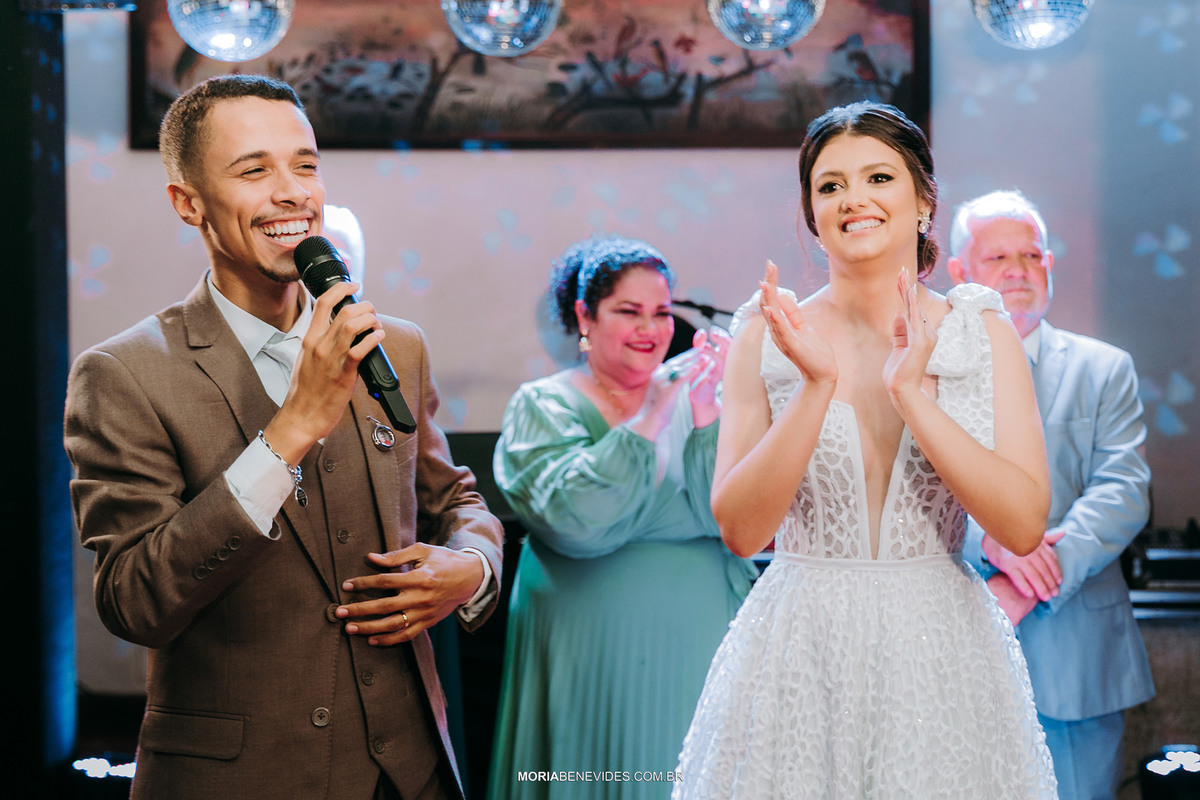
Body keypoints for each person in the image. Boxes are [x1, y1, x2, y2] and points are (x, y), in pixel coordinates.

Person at [63, 75, 504, 800]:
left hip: (409, 772)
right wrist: (290, 431)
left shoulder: (395, 344)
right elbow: (134, 601)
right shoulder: (123, 374)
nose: (294, 191)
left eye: (305, 164)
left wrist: (471, 568)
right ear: (188, 202)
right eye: (255, 169)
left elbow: (456, 498)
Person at [673, 102, 1058, 797]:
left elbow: (1024, 524)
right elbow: (740, 529)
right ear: (813, 216)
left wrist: (913, 396)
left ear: (923, 202)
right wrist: (816, 383)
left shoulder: (983, 333)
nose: (853, 199)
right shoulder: (765, 335)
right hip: (799, 646)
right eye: (830, 186)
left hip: (939, 647)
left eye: (878, 177)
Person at [488, 235, 756, 800]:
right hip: (589, 651)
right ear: (585, 316)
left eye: (661, 312)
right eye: (629, 312)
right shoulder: (545, 404)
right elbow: (576, 519)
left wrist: (708, 418)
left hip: (695, 648)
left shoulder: (696, 394)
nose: (650, 329)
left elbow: (737, 518)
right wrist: (652, 417)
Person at [948, 189, 1155, 799]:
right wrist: (994, 546)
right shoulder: (930, 371)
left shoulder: (1103, 369)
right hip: (961, 647)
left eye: (1031, 255)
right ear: (960, 273)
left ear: (1049, 266)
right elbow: (911, 491)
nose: (1017, 269)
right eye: (996, 258)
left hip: (1078, 657)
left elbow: (1124, 489)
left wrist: (1033, 574)